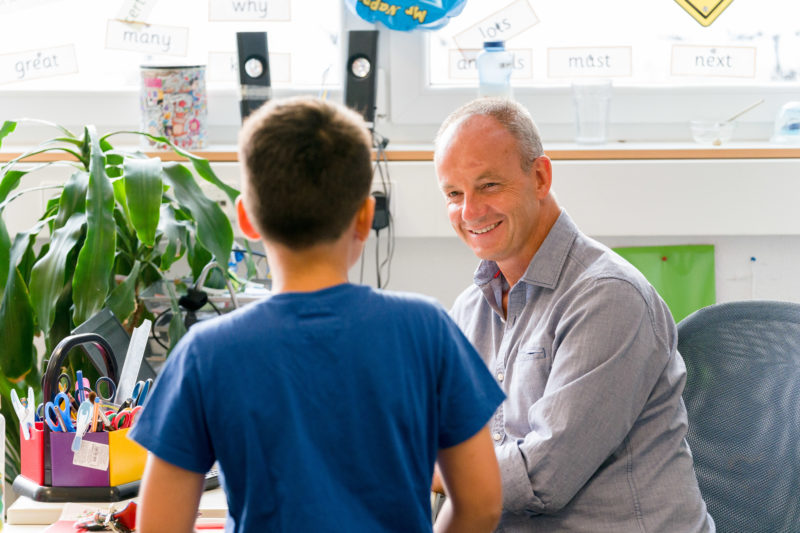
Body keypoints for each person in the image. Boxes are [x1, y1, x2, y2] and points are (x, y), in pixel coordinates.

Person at [130, 96, 506, 533]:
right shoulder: (427, 329)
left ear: (246, 220)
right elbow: (482, 504)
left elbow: (158, 526)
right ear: (365, 217)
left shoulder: (204, 354)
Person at [432, 97, 716, 533]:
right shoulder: (471, 310)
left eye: (488, 185)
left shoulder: (608, 297)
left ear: (540, 177)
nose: (470, 211)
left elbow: (543, 477)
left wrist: (417, 464)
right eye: (454, 194)